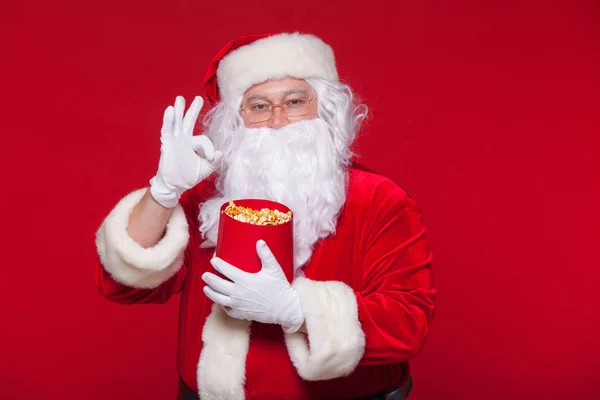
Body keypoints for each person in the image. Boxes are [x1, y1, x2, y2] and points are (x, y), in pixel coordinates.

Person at [94, 32, 436, 400]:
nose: (277, 120)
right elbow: (123, 285)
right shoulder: (207, 198)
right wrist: (163, 192)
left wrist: (297, 309)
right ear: (236, 120)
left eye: (294, 101)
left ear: (325, 107)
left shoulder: (380, 200)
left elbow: (408, 323)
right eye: (258, 106)